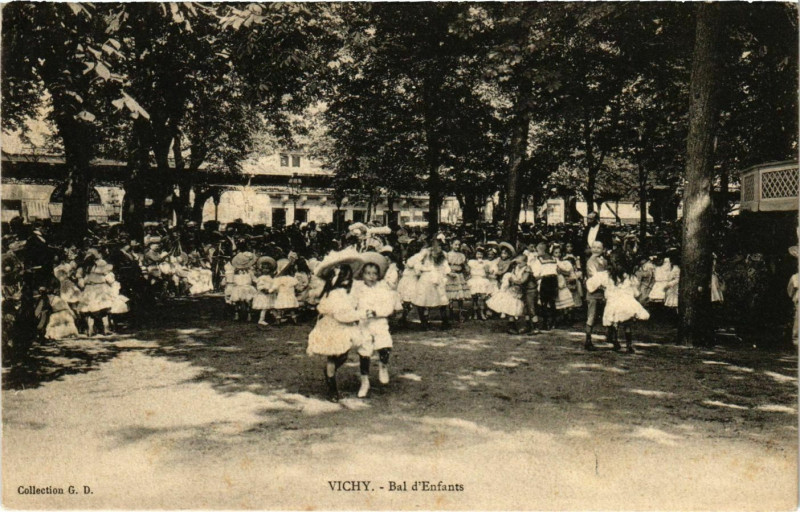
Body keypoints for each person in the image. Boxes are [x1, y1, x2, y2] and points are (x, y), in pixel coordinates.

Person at [307, 248, 363, 402]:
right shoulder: (333, 293)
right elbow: (340, 313)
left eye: (348, 275)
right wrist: (357, 315)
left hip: (344, 325)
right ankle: (332, 389)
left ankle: (330, 373)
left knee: (343, 354)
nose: (346, 279)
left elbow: (353, 306)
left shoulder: (349, 292)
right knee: (333, 355)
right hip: (332, 326)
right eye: (343, 276)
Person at [352, 253, 397, 398]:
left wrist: (376, 312)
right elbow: (353, 306)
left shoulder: (383, 288)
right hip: (364, 323)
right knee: (364, 352)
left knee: (384, 345)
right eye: (368, 273)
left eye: (374, 274)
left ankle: (383, 366)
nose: (371, 276)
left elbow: (389, 307)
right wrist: (361, 313)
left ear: (378, 275)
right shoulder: (358, 288)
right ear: (362, 274)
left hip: (379, 321)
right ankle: (365, 382)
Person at [586, 253, 650, 354]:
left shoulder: (607, 275)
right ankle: (629, 345)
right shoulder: (629, 276)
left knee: (614, 321)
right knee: (627, 324)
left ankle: (616, 342)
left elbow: (591, 283)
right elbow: (635, 291)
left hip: (614, 301)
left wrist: (602, 288)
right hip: (626, 301)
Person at [411, 239, 451, 330]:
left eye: (440, 246)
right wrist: (422, 269)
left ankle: (445, 322)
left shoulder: (443, 254)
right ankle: (423, 323)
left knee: (442, 300)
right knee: (422, 300)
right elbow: (416, 262)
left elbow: (445, 266)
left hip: (438, 277)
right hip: (426, 278)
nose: (437, 248)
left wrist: (446, 274)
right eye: (435, 245)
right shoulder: (425, 252)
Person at [584, 241, 607, 351]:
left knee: (608, 313)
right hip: (594, 290)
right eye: (594, 247)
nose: (596, 249)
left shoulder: (604, 260)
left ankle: (611, 336)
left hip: (603, 291)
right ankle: (588, 340)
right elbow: (595, 276)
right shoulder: (590, 261)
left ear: (603, 249)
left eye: (599, 247)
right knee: (591, 315)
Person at [445, 240, 471, 323]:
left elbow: (465, 267)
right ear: (451, 244)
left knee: (460, 296)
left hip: (459, 276)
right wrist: (448, 272)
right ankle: (451, 313)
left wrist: (468, 269)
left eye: (458, 245)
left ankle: (460, 313)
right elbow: (444, 266)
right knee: (450, 296)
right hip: (451, 276)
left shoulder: (461, 255)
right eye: (455, 244)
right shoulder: (447, 255)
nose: (457, 246)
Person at [467, 247, 494, 320]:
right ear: (475, 254)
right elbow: (468, 271)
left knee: (482, 297)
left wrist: (485, 267)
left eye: (481, 254)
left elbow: (488, 272)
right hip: (474, 279)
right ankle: (475, 313)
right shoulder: (471, 262)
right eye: (478, 254)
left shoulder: (486, 262)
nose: (479, 256)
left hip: (482, 280)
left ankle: (482, 312)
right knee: (474, 297)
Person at [252, 257, 276, 327]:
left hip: (269, 293)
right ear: (261, 269)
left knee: (271, 306)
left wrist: (272, 289)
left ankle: (276, 318)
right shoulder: (261, 278)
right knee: (264, 308)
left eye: (267, 268)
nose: (266, 270)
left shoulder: (270, 277)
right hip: (263, 294)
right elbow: (259, 286)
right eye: (264, 268)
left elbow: (273, 283)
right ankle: (261, 320)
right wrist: (264, 290)